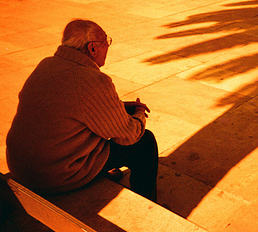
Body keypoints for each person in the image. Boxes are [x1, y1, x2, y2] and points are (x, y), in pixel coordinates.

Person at [6, 19, 158, 202]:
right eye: (106, 42)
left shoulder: (46, 64)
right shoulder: (91, 80)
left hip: (20, 167)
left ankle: (101, 172)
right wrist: (139, 113)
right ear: (93, 48)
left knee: (100, 127)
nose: (108, 47)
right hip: (52, 176)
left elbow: (71, 107)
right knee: (145, 142)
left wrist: (121, 107)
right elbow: (128, 135)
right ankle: (147, 202)